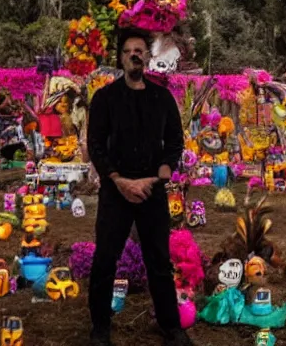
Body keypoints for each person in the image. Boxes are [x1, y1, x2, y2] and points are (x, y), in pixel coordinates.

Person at [87, 29, 193, 346]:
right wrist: (118, 180)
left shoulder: (162, 100)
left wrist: (156, 178)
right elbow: (96, 146)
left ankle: (171, 326)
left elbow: (175, 145)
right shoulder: (105, 99)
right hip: (115, 191)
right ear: (120, 58)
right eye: (128, 50)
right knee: (105, 260)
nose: (135, 54)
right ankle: (100, 327)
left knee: (159, 262)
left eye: (140, 50)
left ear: (147, 57)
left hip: (152, 192)